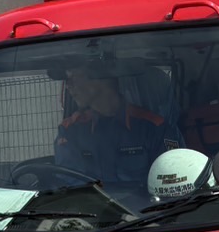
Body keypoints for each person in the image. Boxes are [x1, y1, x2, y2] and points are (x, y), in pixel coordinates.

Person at [56, 57, 181, 194]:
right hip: (89, 213)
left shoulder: (154, 128)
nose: (68, 85)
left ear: (100, 77)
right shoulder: (71, 130)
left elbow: (174, 184)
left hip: (148, 214)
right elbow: (70, 188)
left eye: (72, 76)